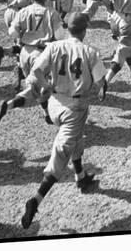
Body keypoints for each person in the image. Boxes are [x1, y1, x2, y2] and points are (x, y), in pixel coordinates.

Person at [19, 12, 108, 228]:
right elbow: (101, 83)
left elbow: (35, 71)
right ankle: (36, 200)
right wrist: (100, 89)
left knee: (76, 138)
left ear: (67, 27)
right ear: (85, 30)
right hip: (74, 108)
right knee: (60, 154)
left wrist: (47, 86)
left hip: (54, 104)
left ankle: (80, 176)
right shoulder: (90, 52)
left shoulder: (54, 46)